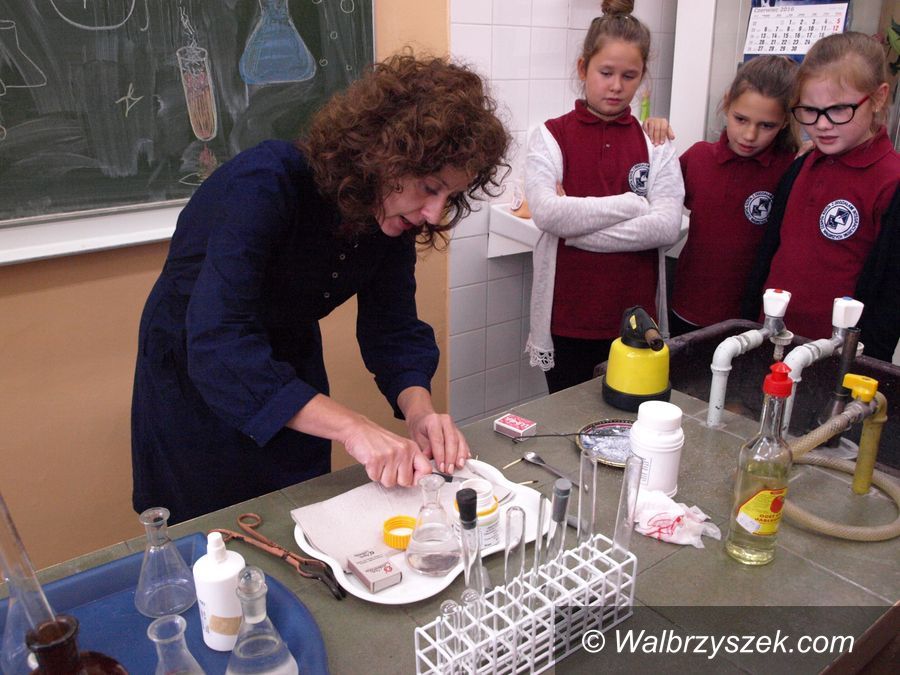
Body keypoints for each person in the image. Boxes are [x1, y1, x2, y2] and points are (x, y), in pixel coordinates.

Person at [131, 53, 510, 523]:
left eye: (450, 196)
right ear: (385, 155)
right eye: (430, 188)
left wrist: (420, 414)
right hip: (197, 365)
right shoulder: (265, 183)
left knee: (297, 513)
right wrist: (354, 427)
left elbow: (392, 327)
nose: (435, 213)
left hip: (288, 362)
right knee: (215, 532)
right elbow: (219, 342)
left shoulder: (392, 213)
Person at [524, 0, 684, 394]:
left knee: (631, 418)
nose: (616, 86)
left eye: (629, 76)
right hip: (568, 317)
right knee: (567, 414)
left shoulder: (655, 142)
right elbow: (547, 214)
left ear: (642, 76)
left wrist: (575, 231)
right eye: (606, 72)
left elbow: (666, 227)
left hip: (636, 319)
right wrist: (633, 204)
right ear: (583, 68)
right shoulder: (550, 135)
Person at [743, 32, 900, 361]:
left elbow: (891, 298)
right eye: (810, 111)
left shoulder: (891, 181)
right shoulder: (802, 165)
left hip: (836, 359)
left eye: (839, 109)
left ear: (878, 98)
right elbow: (770, 254)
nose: (822, 125)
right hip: (771, 342)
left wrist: (863, 368)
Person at [669, 56, 799, 337]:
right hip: (687, 306)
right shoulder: (699, 158)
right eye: (741, 119)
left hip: (749, 318)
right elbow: (651, 199)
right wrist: (652, 133)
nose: (749, 135)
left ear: (785, 122)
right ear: (727, 103)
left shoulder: (789, 169)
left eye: (767, 125)